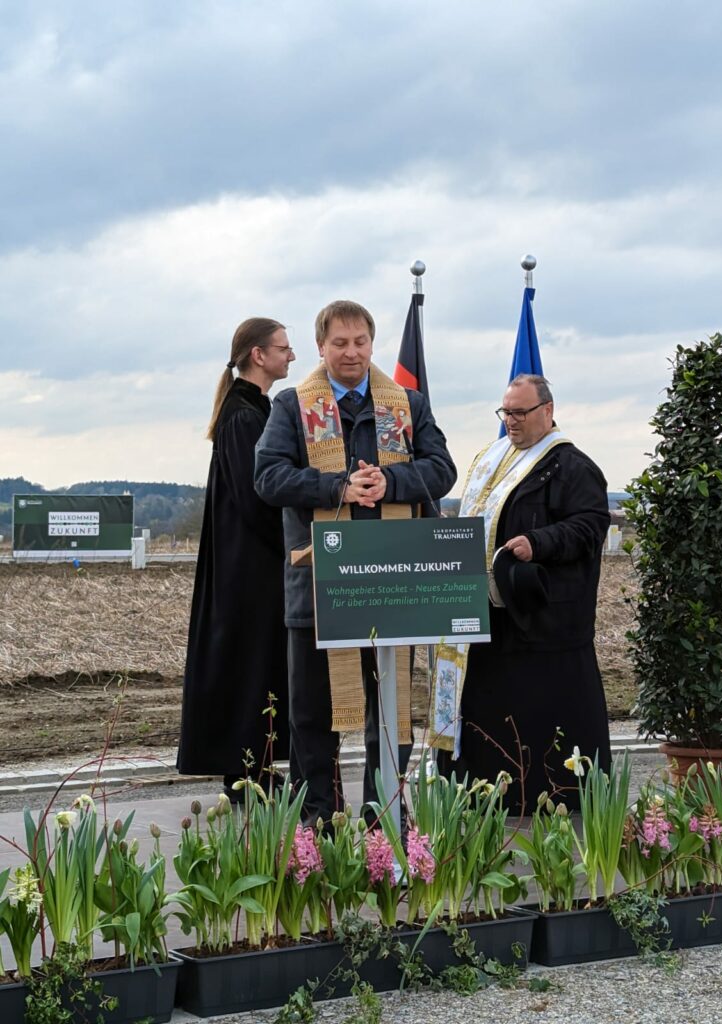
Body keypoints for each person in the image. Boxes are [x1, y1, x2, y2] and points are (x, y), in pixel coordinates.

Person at [255, 299, 456, 826]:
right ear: (320, 347)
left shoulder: (407, 403)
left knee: (388, 711)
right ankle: (318, 819)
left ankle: (382, 813)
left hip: (394, 582)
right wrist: (337, 486)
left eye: (360, 342)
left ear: (372, 343)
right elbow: (268, 477)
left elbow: (442, 469)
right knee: (311, 716)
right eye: (339, 343)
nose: (351, 352)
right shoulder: (291, 407)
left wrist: (394, 481)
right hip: (320, 586)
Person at [433, 374, 611, 813]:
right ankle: (481, 790)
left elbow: (590, 526)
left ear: (547, 411)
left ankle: (546, 797)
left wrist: (539, 542)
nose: (510, 421)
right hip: (490, 616)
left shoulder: (573, 467)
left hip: (543, 623)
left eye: (520, 413)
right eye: (506, 412)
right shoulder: (492, 458)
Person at [177, 318, 295, 799]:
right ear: (258, 355)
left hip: (249, 562)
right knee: (252, 664)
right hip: (250, 566)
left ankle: (254, 769)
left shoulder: (250, 409)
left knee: (255, 663)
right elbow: (258, 497)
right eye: (284, 349)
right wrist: (295, 541)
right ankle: (250, 772)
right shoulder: (244, 416)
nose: (290, 356)